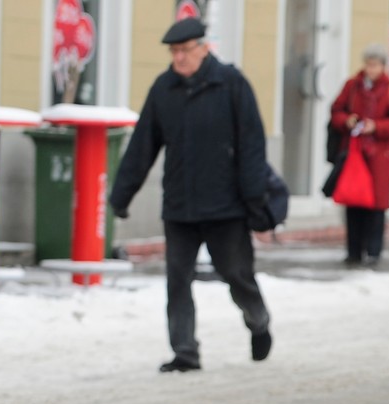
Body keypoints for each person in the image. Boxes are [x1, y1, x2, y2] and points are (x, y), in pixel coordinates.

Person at [109, 17, 272, 372]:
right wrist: (121, 196)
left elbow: (252, 148)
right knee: (177, 280)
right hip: (180, 207)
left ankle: (258, 321)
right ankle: (185, 351)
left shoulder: (231, 84)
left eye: (184, 51)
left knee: (236, 275)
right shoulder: (164, 89)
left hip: (225, 207)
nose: (178, 58)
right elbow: (142, 146)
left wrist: (256, 205)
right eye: (173, 52)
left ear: (203, 47)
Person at [328, 44, 389, 267]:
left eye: (375, 65)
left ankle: (374, 250)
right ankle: (353, 250)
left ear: (383, 66)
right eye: (368, 64)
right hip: (355, 152)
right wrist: (347, 120)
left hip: (380, 155)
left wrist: (377, 126)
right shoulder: (353, 86)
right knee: (353, 200)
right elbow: (336, 110)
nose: (371, 69)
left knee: (376, 204)